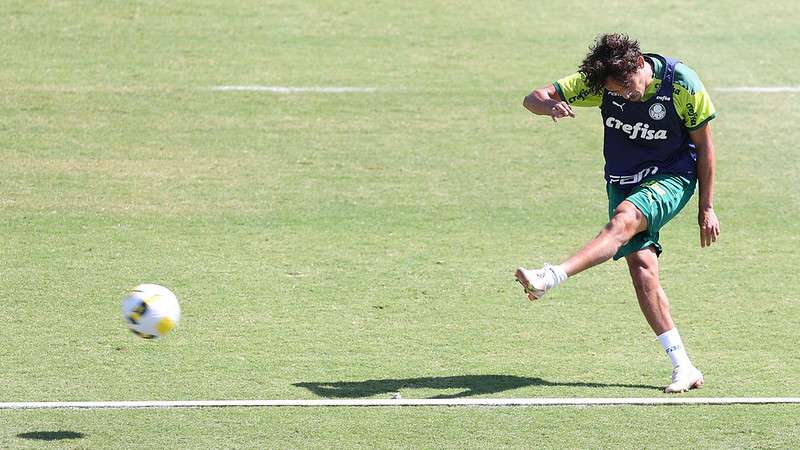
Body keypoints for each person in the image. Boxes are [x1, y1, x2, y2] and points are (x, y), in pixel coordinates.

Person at [516, 33, 720, 393]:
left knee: (622, 222)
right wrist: (550, 107)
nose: (625, 95)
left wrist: (706, 207)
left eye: (628, 87)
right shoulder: (601, 85)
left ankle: (551, 276)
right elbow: (534, 97)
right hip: (624, 180)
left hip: (673, 176)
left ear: (639, 63)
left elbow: (704, 146)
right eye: (616, 91)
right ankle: (683, 366)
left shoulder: (682, 84)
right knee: (642, 268)